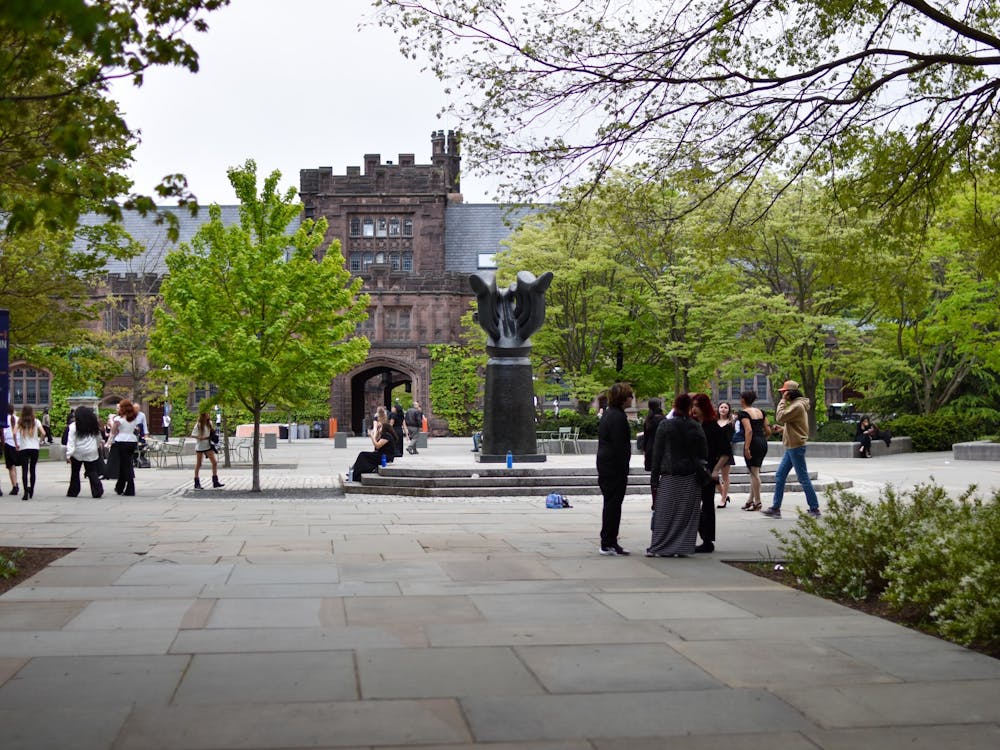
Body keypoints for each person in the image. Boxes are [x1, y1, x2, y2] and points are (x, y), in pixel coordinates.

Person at [647, 393, 708, 557]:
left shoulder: (665, 425)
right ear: (689, 407)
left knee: (665, 514)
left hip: (670, 474)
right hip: (690, 475)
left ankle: (660, 545)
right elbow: (704, 452)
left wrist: (654, 479)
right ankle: (683, 546)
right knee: (686, 515)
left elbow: (657, 453)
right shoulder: (695, 426)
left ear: (675, 406)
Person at [762, 380, 821, 519]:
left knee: (803, 478)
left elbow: (780, 416)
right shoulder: (796, 405)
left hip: (795, 447)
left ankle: (814, 509)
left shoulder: (797, 406)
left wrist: (782, 401)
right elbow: (797, 426)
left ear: (789, 393)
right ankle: (775, 508)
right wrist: (783, 429)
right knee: (780, 476)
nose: (782, 394)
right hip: (792, 446)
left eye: (783, 392)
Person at [597, 382, 633, 555]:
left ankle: (608, 540)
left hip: (607, 466)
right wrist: (624, 466)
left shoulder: (610, 414)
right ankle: (609, 541)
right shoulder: (617, 417)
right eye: (629, 396)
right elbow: (620, 446)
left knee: (611, 504)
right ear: (623, 399)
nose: (632, 399)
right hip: (614, 468)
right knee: (613, 505)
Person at [691, 393, 730, 553]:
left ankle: (707, 540)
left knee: (707, 505)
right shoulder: (692, 424)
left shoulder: (712, 426)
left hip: (707, 471)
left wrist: (715, 471)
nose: (693, 409)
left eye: (697, 406)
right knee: (693, 505)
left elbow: (725, 452)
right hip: (693, 469)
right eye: (692, 406)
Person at [737, 390, 770, 511]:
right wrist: (763, 439)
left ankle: (758, 502)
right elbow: (768, 430)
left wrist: (746, 447)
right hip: (762, 442)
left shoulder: (744, 413)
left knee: (754, 474)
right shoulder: (761, 412)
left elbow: (749, 430)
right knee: (754, 472)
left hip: (752, 443)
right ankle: (750, 500)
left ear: (743, 400)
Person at [65, 406, 104, 498]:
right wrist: (97, 446)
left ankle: (73, 491)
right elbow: (98, 438)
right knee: (92, 471)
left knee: (75, 472)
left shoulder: (73, 426)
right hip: (91, 451)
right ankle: (97, 490)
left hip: (77, 451)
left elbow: (71, 441)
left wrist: (68, 454)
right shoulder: (93, 425)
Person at [349, 405, 395, 479]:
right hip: (380, 454)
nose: (378, 424)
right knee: (363, 455)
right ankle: (354, 472)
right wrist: (376, 432)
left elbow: (377, 445)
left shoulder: (387, 435)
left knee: (363, 455)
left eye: (379, 424)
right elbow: (376, 440)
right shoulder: (382, 433)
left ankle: (355, 474)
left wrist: (371, 436)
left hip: (386, 457)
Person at [105, 399, 140, 496]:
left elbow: (113, 432)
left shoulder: (118, 419)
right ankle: (120, 486)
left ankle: (129, 488)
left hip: (121, 441)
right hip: (132, 441)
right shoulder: (134, 418)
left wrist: (109, 442)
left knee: (124, 466)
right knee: (127, 463)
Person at [15, 405, 45, 500]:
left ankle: (25, 492)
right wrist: (40, 442)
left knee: (24, 470)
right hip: (34, 448)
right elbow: (43, 433)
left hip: (24, 448)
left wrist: (16, 444)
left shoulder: (20, 422)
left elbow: (14, 432)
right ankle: (31, 490)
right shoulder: (36, 421)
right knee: (32, 470)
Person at [641, 398, 666, 505]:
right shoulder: (663, 420)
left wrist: (645, 450)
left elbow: (645, 438)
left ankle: (655, 501)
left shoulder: (648, 420)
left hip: (650, 449)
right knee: (664, 474)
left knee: (654, 475)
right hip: (662, 449)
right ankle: (662, 499)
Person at [191, 412, 224, 489]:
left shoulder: (209, 423)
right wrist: (200, 437)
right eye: (207, 414)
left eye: (208, 414)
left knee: (214, 462)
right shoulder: (198, 425)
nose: (208, 415)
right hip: (200, 446)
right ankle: (196, 482)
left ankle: (215, 481)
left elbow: (211, 432)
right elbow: (192, 434)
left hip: (208, 445)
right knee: (199, 464)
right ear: (203, 416)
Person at [716, 401, 736, 507]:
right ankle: (724, 494)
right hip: (715, 451)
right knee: (713, 477)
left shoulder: (730, 423)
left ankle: (723, 499)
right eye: (721, 407)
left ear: (728, 410)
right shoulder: (714, 421)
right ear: (718, 409)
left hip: (726, 452)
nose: (723, 409)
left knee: (725, 476)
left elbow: (731, 438)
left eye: (725, 407)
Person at [3, 403, 19, 496]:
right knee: (14, 466)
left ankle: (14, 485)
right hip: (17, 444)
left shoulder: (4, 419)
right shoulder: (17, 419)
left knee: (11, 466)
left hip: (9, 443)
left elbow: (4, 433)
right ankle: (15, 483)